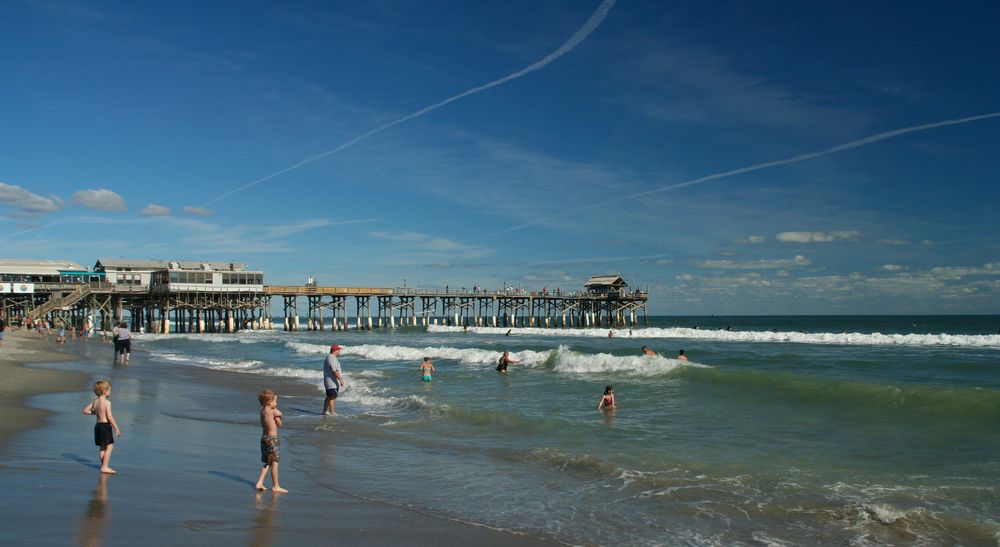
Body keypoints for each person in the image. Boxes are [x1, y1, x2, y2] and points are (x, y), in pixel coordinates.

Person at [82, 380, 121, 474]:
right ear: (105, 391)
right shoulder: (107, 402)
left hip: (98, 426)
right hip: (105, 426)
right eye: (109, 390)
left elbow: (85, 411)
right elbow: (109, 417)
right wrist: (116, 428)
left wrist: (96, 412)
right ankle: (105, 466)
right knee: (110, 447)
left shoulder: (95, 401)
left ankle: (104, 465)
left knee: (102, 448)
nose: (110, 392)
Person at [255, 390, 287, 493]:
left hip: (264, 438)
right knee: (275, 462)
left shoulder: (262, 411)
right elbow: (279, 423)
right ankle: (276, 486)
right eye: (275, 401)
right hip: (272, 440)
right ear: (269, 402)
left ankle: (260, 482)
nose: (276, 403)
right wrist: (280, 414)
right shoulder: (272, 411)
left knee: (268, 462)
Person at [322, 345, 346, 415]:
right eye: (339, 350)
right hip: (331, 382)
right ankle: (332, 413)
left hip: (330, 381)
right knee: (332, 397)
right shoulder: (332, 358)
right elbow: (334, 370)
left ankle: (324, 412)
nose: (339, 352)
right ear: (335, 350)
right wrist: (340, 379)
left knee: (329, 397)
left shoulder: (329, 357)